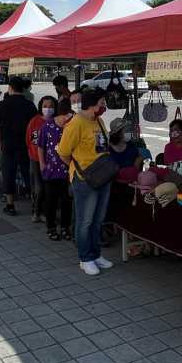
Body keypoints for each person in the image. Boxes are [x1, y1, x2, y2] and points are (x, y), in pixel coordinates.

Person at [57, 88, 114, 276]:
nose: (104, 106)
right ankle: (85, 258)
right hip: (84, 180)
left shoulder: (99, 121)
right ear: (91, 105)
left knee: (98, 220)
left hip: (103, 176)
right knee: (85, 221)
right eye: (101, 103)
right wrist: (78, 167)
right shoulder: (76, 123)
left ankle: (96, 254)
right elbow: (64, 152)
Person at [0, 77, 37, 215]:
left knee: (8, 173)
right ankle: (35, 204)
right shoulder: (30, 105)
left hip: (8, 144)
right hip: (25, 145)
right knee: (28, 174)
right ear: (23, 89)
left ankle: (10, 205)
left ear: (10, 88)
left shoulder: (2, 104)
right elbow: (35, 126)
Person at [38, 98, 73, 240]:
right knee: (51, 200)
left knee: (66, 200)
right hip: (51, 170)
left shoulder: (71, 127)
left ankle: (65, 227)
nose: (70, 118)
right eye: (69, 115)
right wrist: (42, 163)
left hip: (68, 170)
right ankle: (51, 227)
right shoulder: (47, 126)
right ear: (63, 113)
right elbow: (40, 146)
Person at [27, 96, 57, 222]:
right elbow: (30, 141)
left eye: (51, 106)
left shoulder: (57, 121)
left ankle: (44, 212)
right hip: (36, 159)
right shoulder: (35, 121)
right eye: (45, 106)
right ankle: (36, 211)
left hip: (52, 160)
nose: (48, 109)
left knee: (48, 188)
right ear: (40, 107)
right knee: (39, 188)